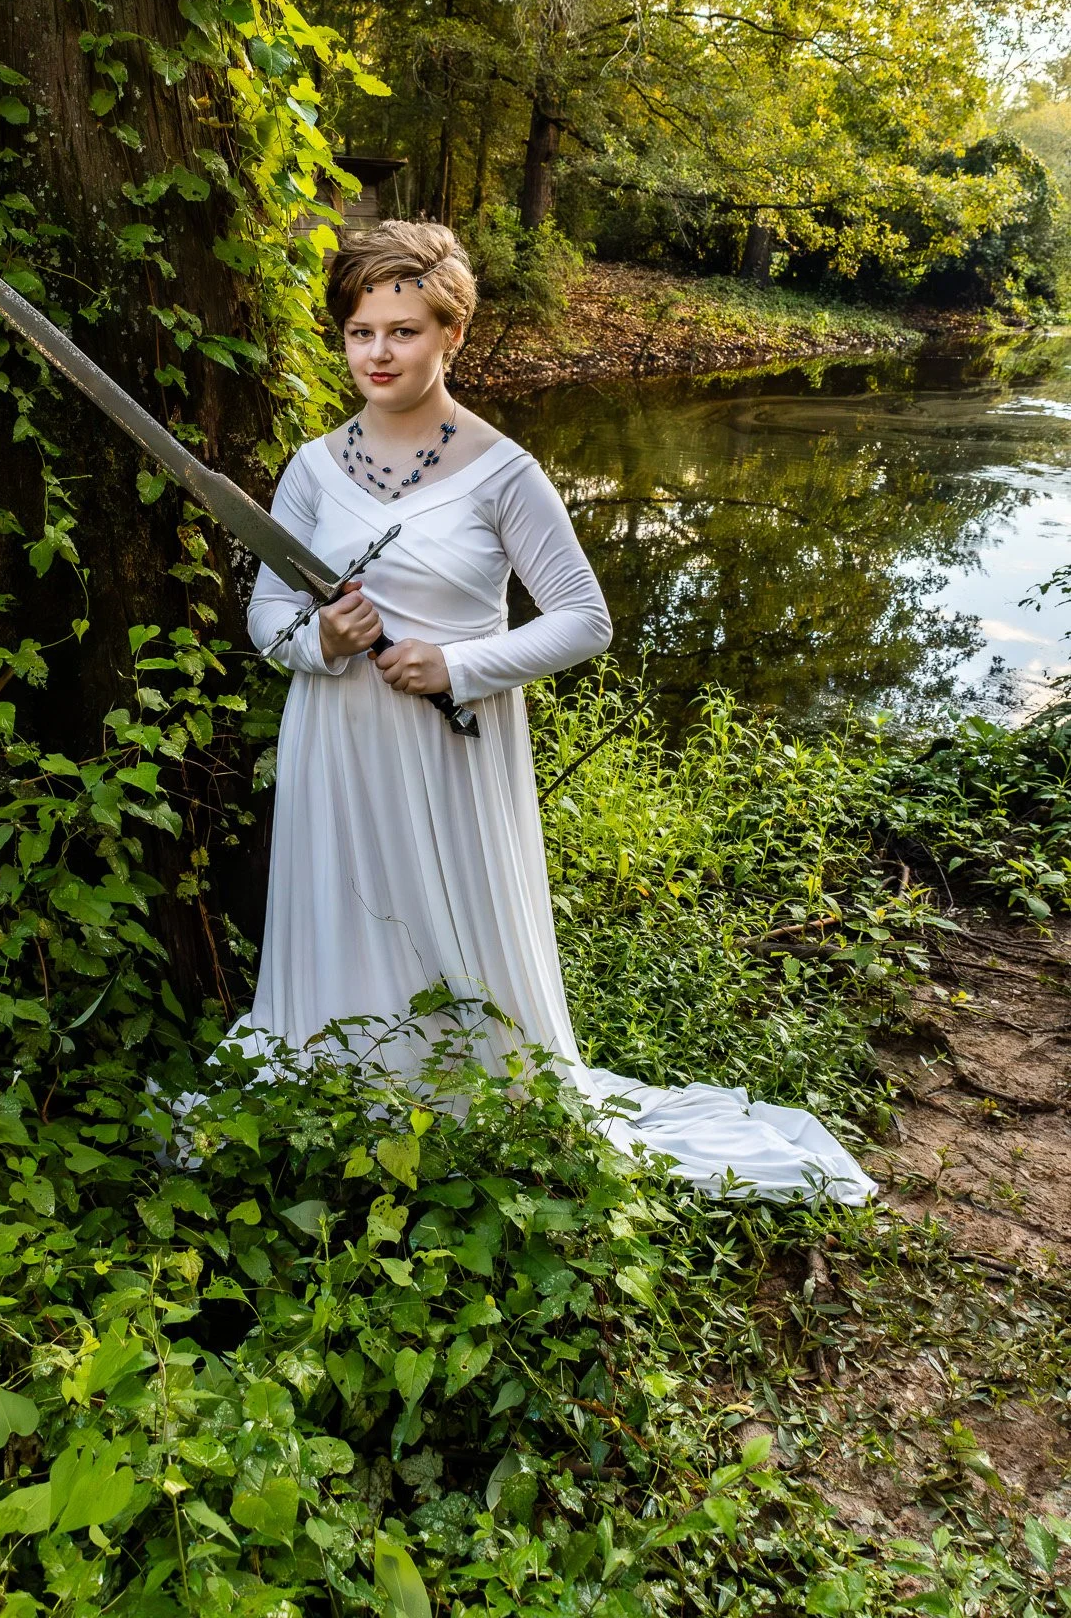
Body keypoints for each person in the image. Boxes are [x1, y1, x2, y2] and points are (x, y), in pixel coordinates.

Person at [235, 221, 876, 1205]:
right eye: (360, 330)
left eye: (401, 329)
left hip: (449, 748)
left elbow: (584, 620)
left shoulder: (503, 472)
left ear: (450, 331)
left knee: (447, 922)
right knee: (345, 911)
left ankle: (463, 1102)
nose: (376, 352)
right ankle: (341, 1094)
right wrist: (318, 641)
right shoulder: (312, 469)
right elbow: (267, 615)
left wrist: (457, 662)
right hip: (334, 743)